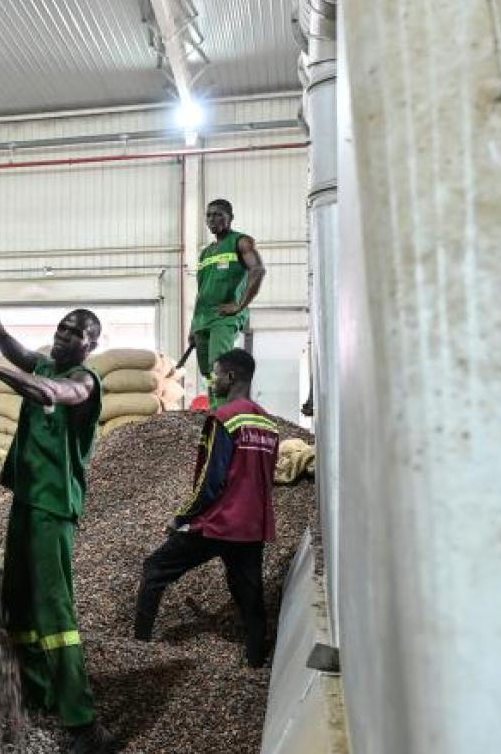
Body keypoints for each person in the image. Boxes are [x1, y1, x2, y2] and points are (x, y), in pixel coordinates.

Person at [0, 272, 117, 754]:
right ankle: (38, 694)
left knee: (54, 611)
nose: (65, 335)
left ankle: (84, 724)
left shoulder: (82, 382)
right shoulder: (46, 364)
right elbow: (2, 337)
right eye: (64, 327)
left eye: (77, 333)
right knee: (20, 602)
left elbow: (51, 396)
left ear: (90, 347)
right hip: (29, 501)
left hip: (55, 508)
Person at [132, 348, 279, 667]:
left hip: (221, 521)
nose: (212, 381)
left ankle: (138, 647)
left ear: (230, 376)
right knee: (249, 595)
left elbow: (211, 479)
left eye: (214, 374)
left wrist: (182, 517)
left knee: (155, 569)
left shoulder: (224, 419)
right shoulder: (269, 425)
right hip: (252, 526)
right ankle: (256, 661)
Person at [189, 199, 266, 409]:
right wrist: (193, 326)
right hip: (202, 319)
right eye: (209, 215)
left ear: (230, 217)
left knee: (220, 368)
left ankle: (224, 418)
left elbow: (257, 270)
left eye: (219, 214)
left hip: (223, 317)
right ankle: (216, 411)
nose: (213, 219)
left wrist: (239, 305)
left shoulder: (241, 242)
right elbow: (201, 291)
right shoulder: (206, 253)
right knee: (208, 373)